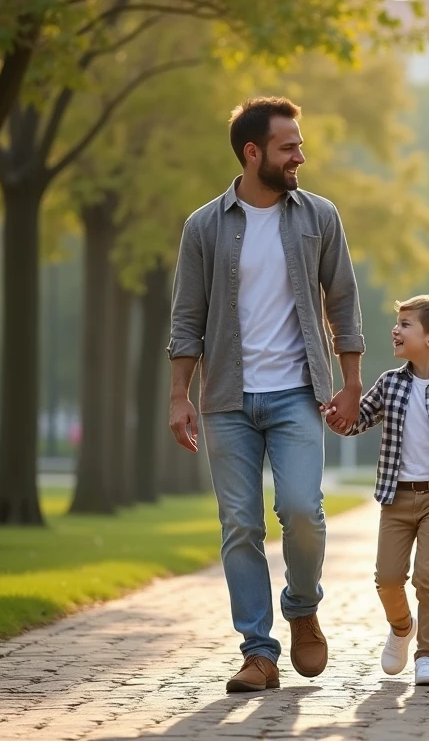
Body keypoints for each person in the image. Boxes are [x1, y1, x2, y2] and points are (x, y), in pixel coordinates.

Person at [167, 96, 365, 693]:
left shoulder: (318, 216)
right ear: (253, 153)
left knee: (302, 511)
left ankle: (302, 606)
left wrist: (352, 384)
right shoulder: (203, 226)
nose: (300, 155)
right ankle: (259, 652)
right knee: (240, 526)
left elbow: (344, 301)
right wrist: (179, 395)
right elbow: (187, 319)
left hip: (298, 394)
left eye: (298, 145)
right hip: (226, 399)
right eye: (288, 147)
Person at [328, 295, 429, 687]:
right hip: (395, 498)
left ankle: (428, 655)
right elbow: (358, 419)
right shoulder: (390, 383)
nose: (395, 330)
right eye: (397, 323)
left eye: (405, 324)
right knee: (387, 578)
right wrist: (338, 418)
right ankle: (402, 627)